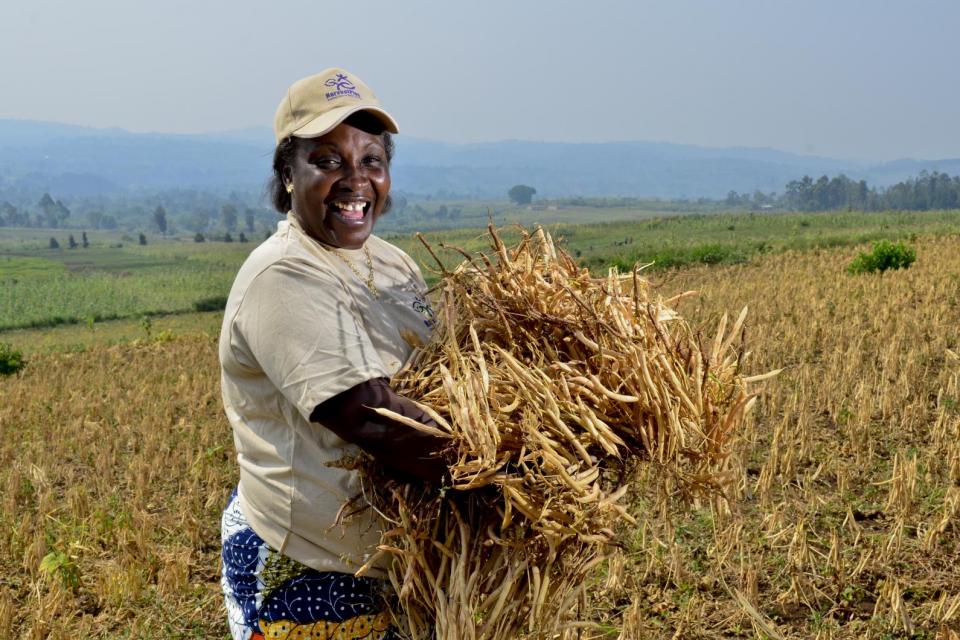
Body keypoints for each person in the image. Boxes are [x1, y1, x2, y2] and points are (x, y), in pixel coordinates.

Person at [218, 68, 446, 640]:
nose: (356, 180)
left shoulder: (393, 263)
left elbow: (440, 377)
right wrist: (506, 468)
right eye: (329, 160)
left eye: (372, 159)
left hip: (397, 557)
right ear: (287, 174)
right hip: (315, 564)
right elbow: (368, 415)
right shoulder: (283, 275)